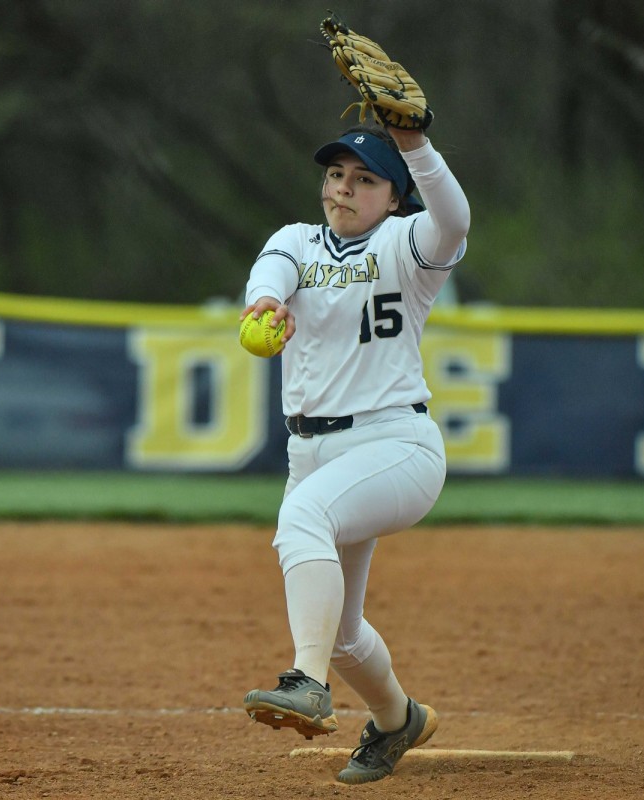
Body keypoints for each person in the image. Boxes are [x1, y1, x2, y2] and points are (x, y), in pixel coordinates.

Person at [238, 118, 469, 786]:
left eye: (365, 179)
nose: (343, 187)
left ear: (394, 197)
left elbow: (454, 220)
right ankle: (398, 720)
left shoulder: (407, 242)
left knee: (302, 519)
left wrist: (416, 147)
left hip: (395, 444)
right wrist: (266, 301)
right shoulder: (296, 240)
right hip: (311, 452)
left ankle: (305, 683)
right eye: (336, 174)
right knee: (342, 634)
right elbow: (271, 271)